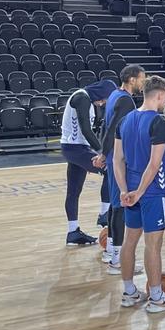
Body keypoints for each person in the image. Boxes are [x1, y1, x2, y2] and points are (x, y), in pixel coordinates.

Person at [112, 75, 165, 313]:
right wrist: (141, 192)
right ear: (161, 95)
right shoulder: (159, 123)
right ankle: (156, 299)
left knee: (130, 241)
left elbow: (116, 160)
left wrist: (125, 191)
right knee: (153, 246)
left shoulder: (126, 120)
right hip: (151, 193)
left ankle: (130, 292)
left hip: (130, 191)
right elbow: (154, 165)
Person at [99, 64, 146, 273]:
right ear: (132, 79)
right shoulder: (125, 100)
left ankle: (110, 250)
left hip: (111, 157)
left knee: (113, 205)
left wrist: (103, 152)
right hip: (117, 159)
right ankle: (117, 260)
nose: (143, 83)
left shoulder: (113, 96)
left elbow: (103, 126)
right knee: (120, 207)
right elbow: (112, 129)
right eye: (142, 79)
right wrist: (103, 153)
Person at [60, 79, 116, 246]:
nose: (104, 103)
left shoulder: (89, 101)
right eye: (106, 98)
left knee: (74, 190)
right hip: (75, 148)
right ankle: (104, 213)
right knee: (109, 169)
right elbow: (85, 129)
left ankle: (73, 232)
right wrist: (102, 152)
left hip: (77, 148)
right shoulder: (82, 98)